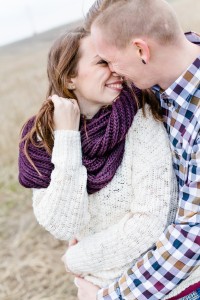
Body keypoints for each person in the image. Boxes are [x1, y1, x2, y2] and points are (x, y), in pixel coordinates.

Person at [18, 26, 182, 297]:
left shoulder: (139, 118)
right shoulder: (42, 141)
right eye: (102, 62)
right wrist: (67, 138)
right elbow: (63, 225)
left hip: (157, 288)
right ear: (70, 78)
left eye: (114, 59)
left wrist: (75, 260)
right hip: (95, 288)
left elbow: (149, 224)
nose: (115, 69)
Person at [74, 0, 200, 299]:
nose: (113, 73)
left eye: (109, 60)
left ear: (142, 50)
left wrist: (109, 296)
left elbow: (192, 234)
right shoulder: (164, 78)